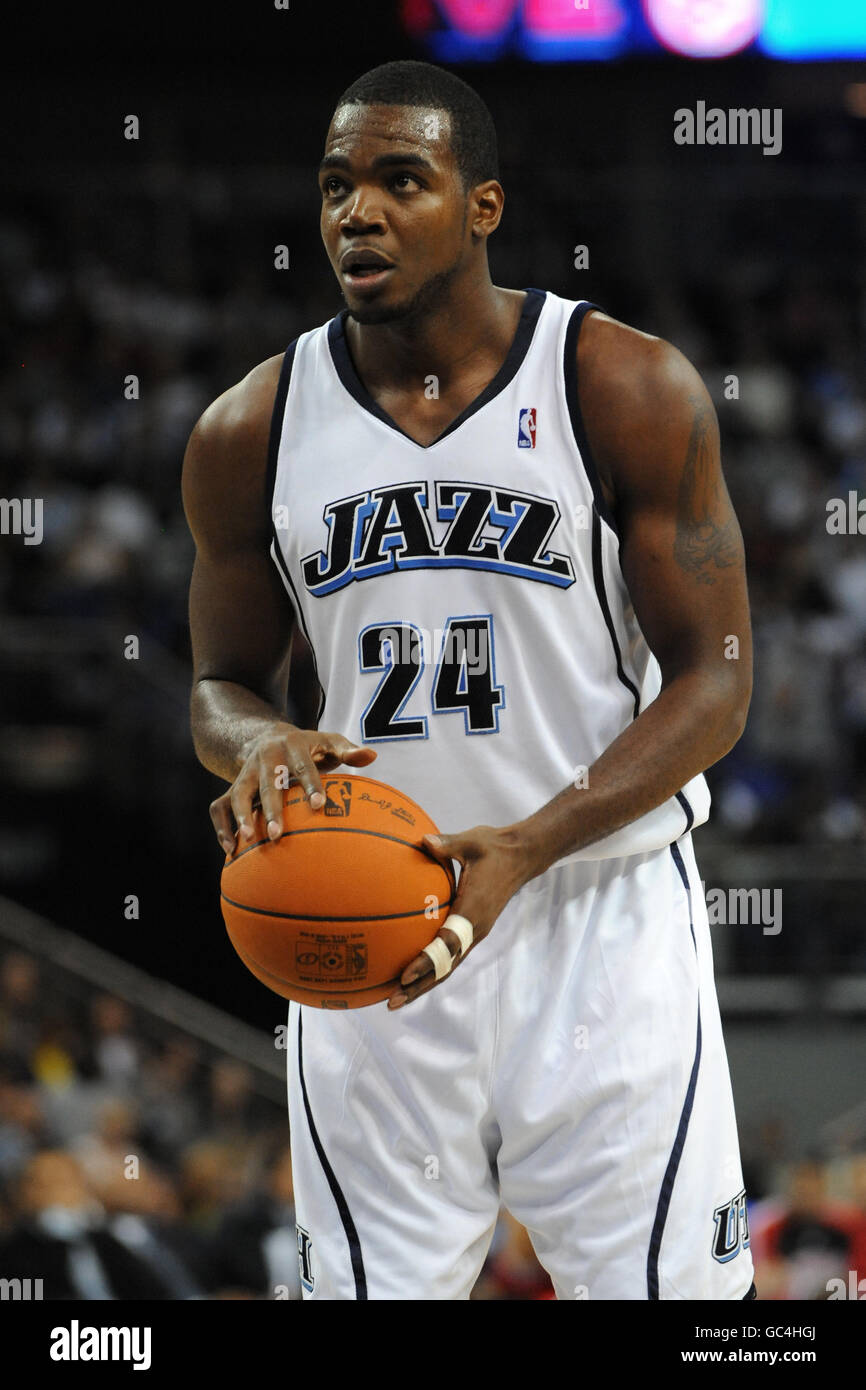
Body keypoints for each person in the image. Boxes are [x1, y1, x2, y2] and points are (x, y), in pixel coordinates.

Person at [182, 59, 756, 1300]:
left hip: (593, 921)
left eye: (400, 180)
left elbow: (715, 685)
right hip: (364, 936)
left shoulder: (621, 385)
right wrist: (257, 743)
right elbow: (219, 683)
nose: (357, 213)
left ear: (480, 206)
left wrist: (532, 843)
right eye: (337, 186)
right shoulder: (251, 429)